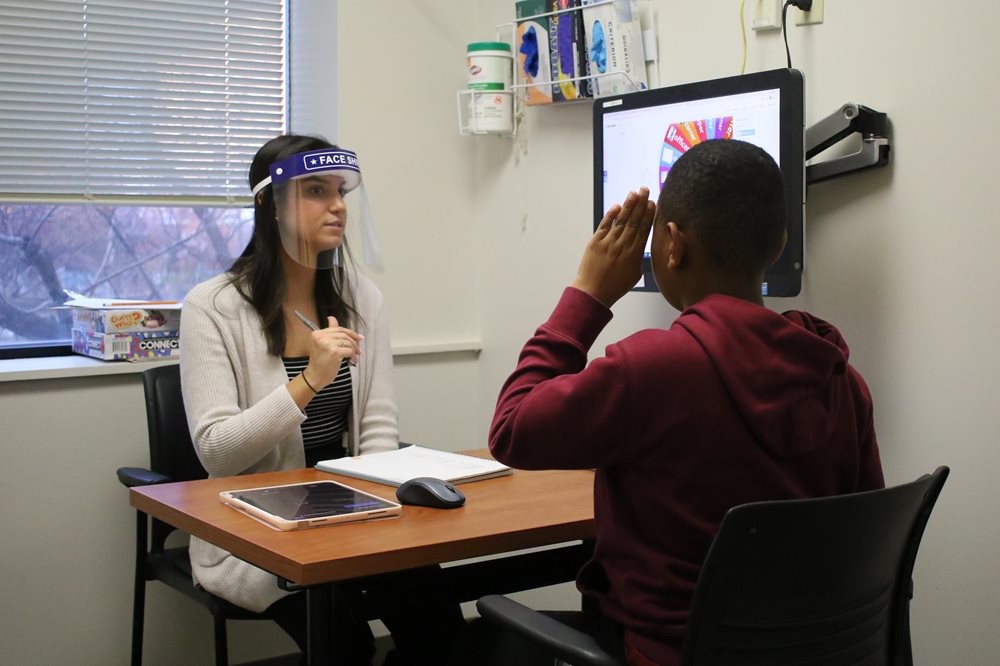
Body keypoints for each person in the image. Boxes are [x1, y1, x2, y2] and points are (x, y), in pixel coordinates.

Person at [456, 139, 885, 666]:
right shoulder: (842, 379)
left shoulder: (651, 371)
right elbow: (867, 553)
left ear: (672, 246)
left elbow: (511, 430)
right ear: (777, 246)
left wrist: (586, 295)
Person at [180, 134, 463, 665]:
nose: (336, 206)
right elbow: (217, 453)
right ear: (270, 205)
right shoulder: (211, 307)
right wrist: (309, 379)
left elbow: (377, 427)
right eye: (315, 191)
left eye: (340, 191)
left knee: (437, 619)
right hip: (253, 528)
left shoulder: (361, 297)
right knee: (345, 642)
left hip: (350, 511)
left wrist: (391, 517)